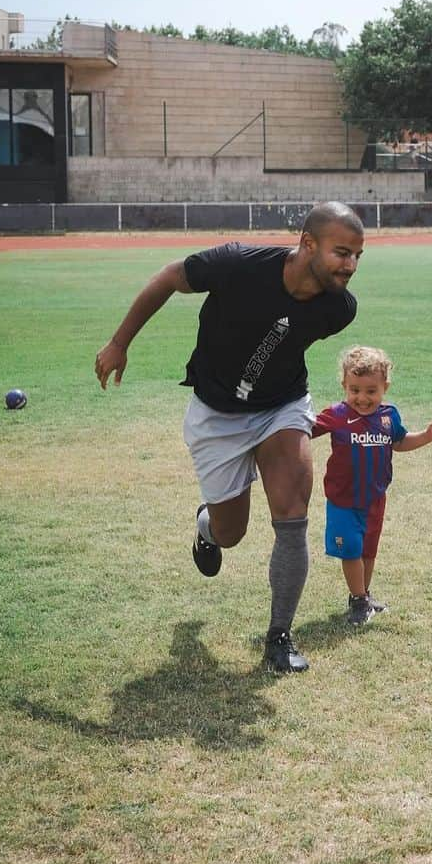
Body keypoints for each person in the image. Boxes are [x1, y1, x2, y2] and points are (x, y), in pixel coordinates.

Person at [94, 202, 365, 673]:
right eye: (342, 252)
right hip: (216, 415)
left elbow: (283, 341)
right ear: (307, 244)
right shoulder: (239, 264)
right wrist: (119, 342)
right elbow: (167, 278)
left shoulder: (338, 309)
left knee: (292, 511)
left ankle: (280, 637)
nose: (351, 265)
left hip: (281, 407)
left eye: (358, 255)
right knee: (231, 532)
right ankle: (207, 526)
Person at [311, 345, 432, 625]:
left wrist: (426, 436)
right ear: (344, 385)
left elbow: (398, 442)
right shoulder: (336, 415)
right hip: (344, 500)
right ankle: (358, 601)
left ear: (384, 387)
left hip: (375, 498)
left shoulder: (389, 416)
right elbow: (303, 430)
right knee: (351, 549)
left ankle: (364, 594)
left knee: (368, 550)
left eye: (371, 391)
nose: (362, 398)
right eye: (354, 390)